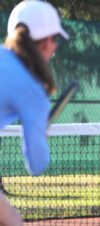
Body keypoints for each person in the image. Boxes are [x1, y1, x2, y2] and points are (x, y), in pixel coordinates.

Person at [0, 1, 69, 225]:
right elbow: (37, 165)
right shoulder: (33, 90)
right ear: (46, 42)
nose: (55, 46)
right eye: (55, 39)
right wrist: (40, 138)